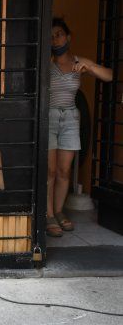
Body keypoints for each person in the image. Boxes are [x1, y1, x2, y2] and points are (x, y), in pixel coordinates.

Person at [46, 18, 113, 237]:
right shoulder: (47, 63)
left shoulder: (78, 61)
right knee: (51, 171)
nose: (56, 39)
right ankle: (48, 215)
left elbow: (110, 76)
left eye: (59, 34)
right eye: (52, 36)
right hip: (50, 116)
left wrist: (89, 67)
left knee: (65, 171)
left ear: (68, 36)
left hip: (72, 118)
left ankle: (59, 211)